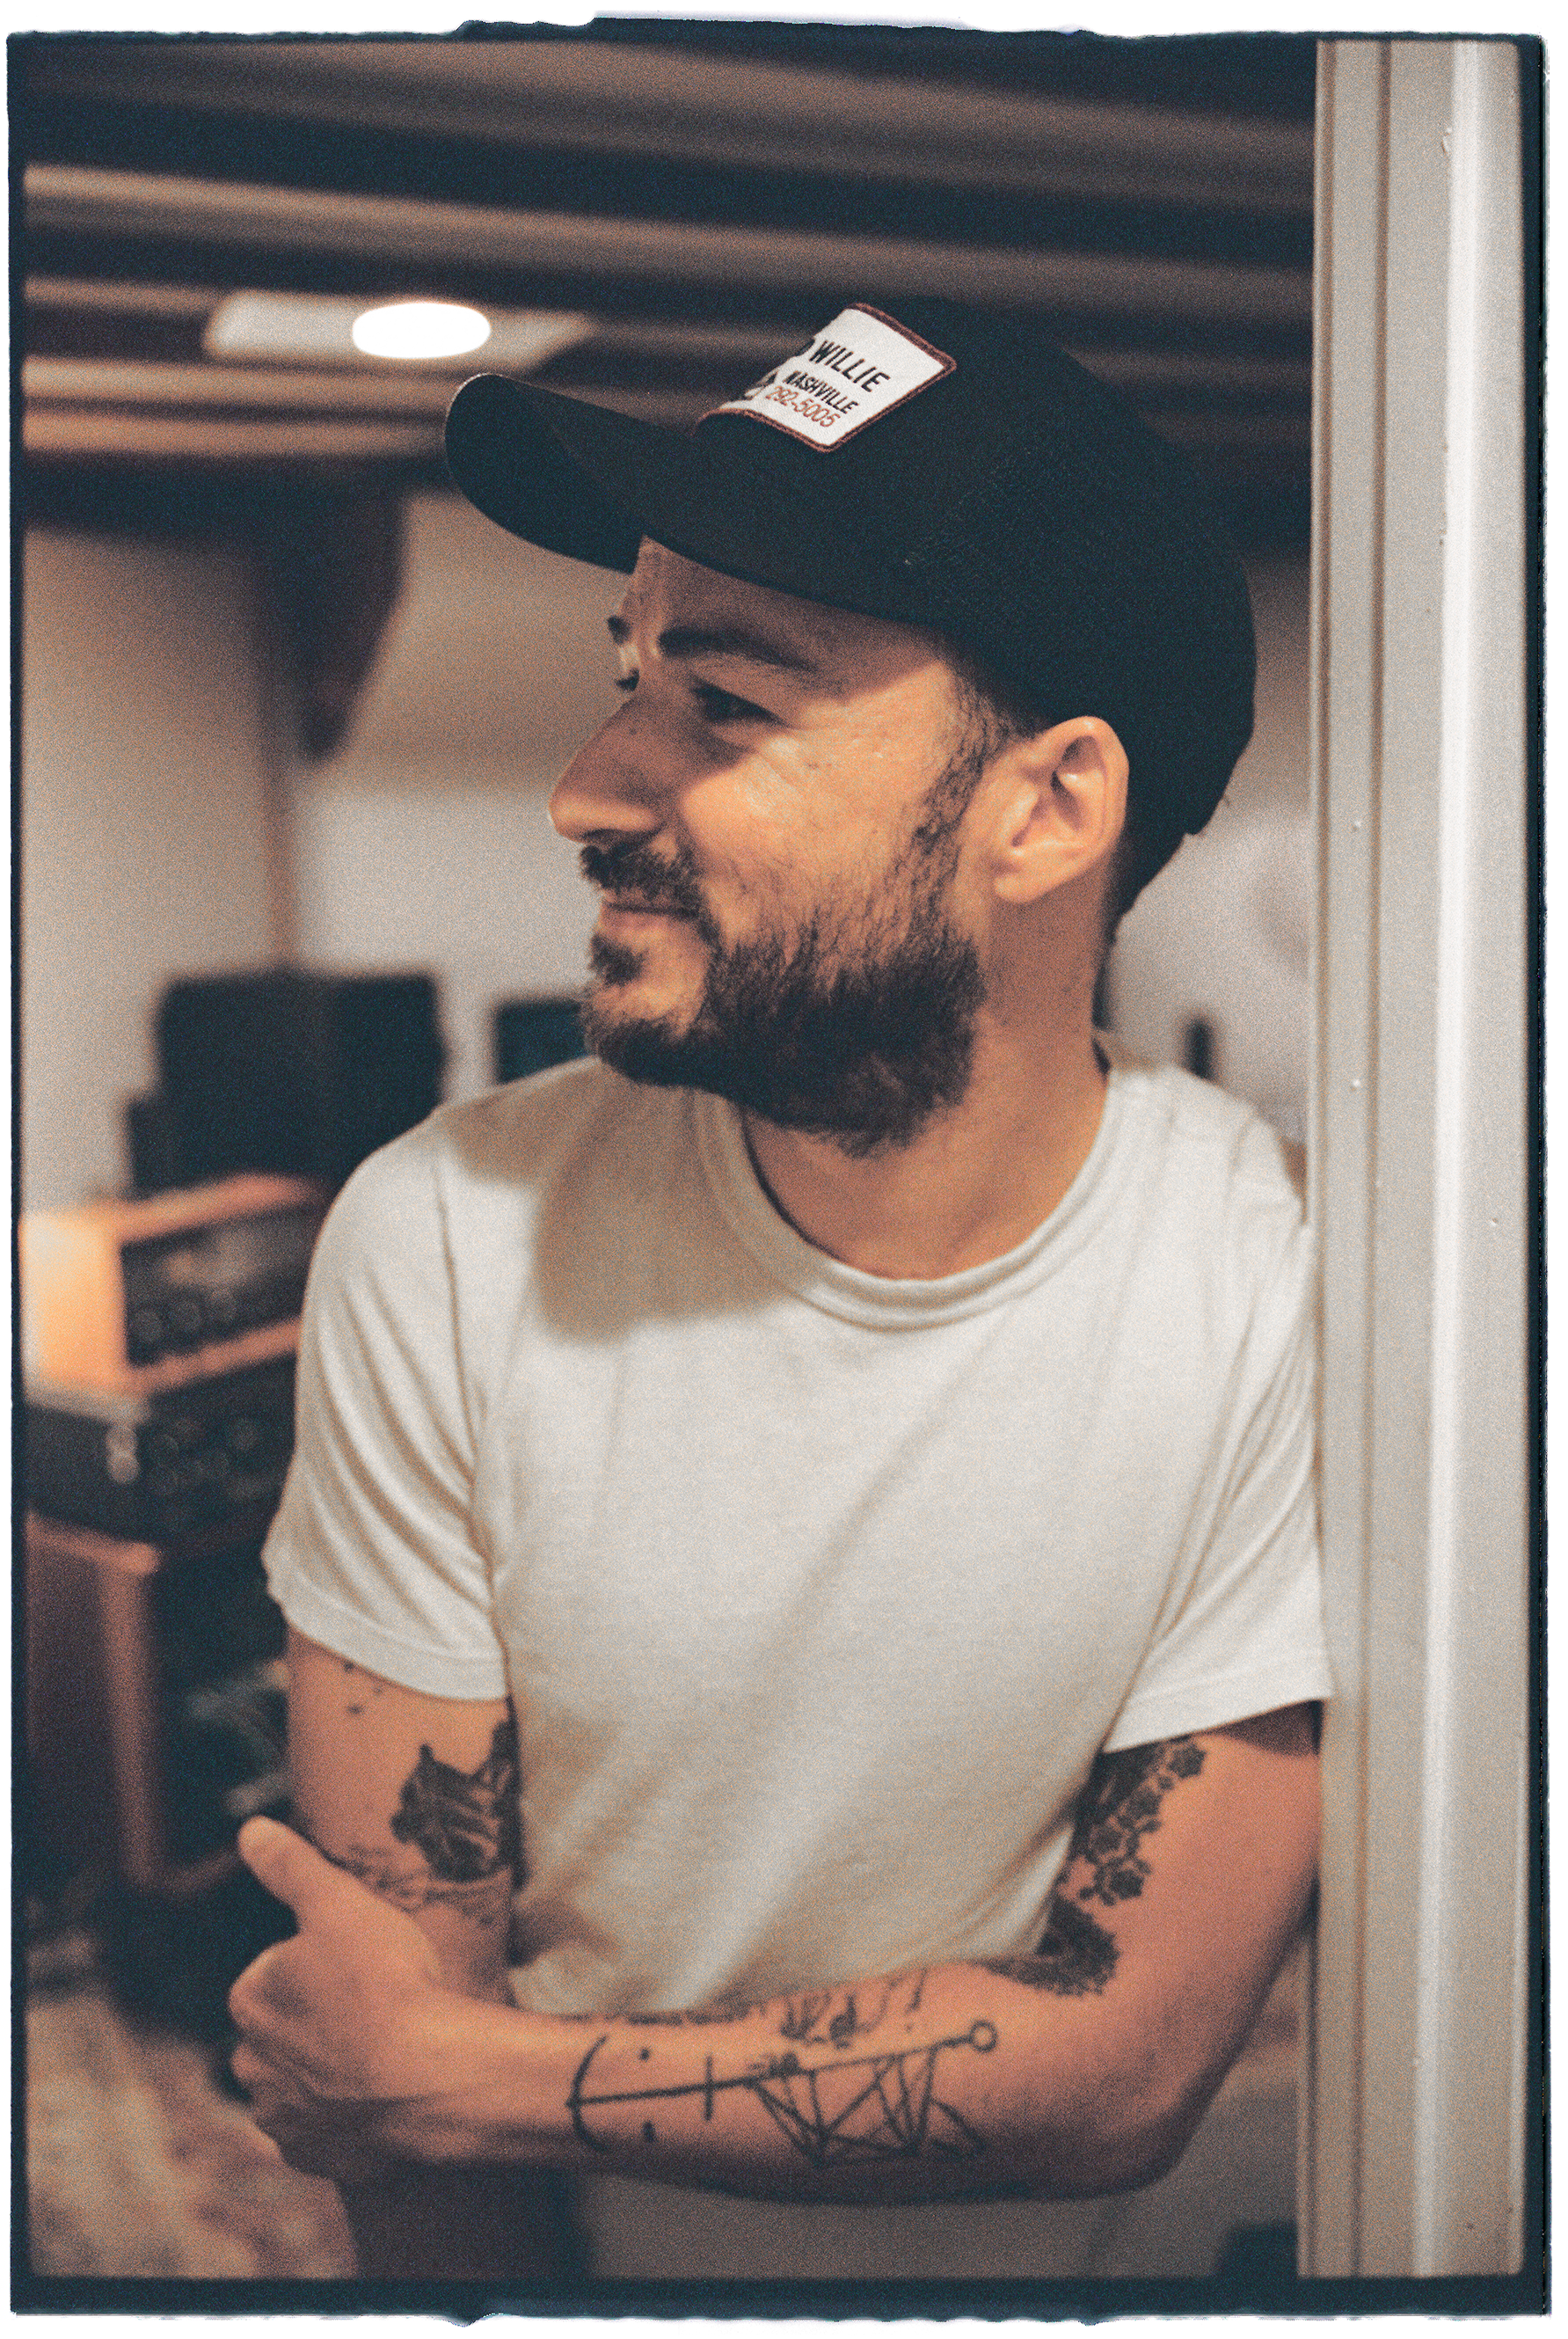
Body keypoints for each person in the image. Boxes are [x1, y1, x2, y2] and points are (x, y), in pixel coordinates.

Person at [228, 299, 1332, 2280]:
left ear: (1046, 810)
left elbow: (1126, 2066)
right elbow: (394, 2101)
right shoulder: (449, 1236)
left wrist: (471, 2077)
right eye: (626, 677)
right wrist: (438, 2115)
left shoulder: (1273, 1283)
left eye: (724, 704)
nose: (584, 788)